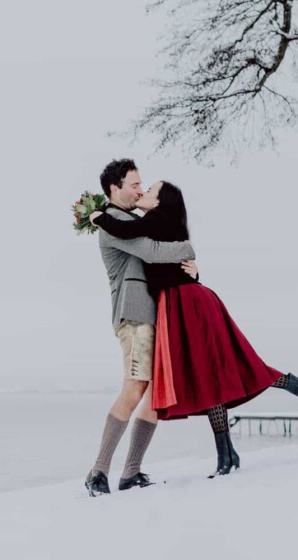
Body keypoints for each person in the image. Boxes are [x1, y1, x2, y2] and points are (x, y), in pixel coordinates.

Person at [89, 180, 298, 477]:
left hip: (188, 302)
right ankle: (229, 453)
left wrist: (99, 217)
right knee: (213, 375)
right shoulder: (160, 220)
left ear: (160, 202)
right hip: (182, 302)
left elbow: (133, 236)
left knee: (218, 372)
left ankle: (230, 452)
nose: (143, 192)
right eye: (140, 186)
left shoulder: (153, 220)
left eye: (149, 190)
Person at [85, 159, 197, 496]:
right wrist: (189, 249)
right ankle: (98, 471)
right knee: (135, 389)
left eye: (141, 184)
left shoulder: (134, 220)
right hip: (134, 316)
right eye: (134, 184)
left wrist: (192, 272)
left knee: (153, 395)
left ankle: (130, 472)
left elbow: (164, 260)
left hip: (153, 314)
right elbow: (150, 252)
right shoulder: (114, 222)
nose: (139, 189)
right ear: (114, 189)